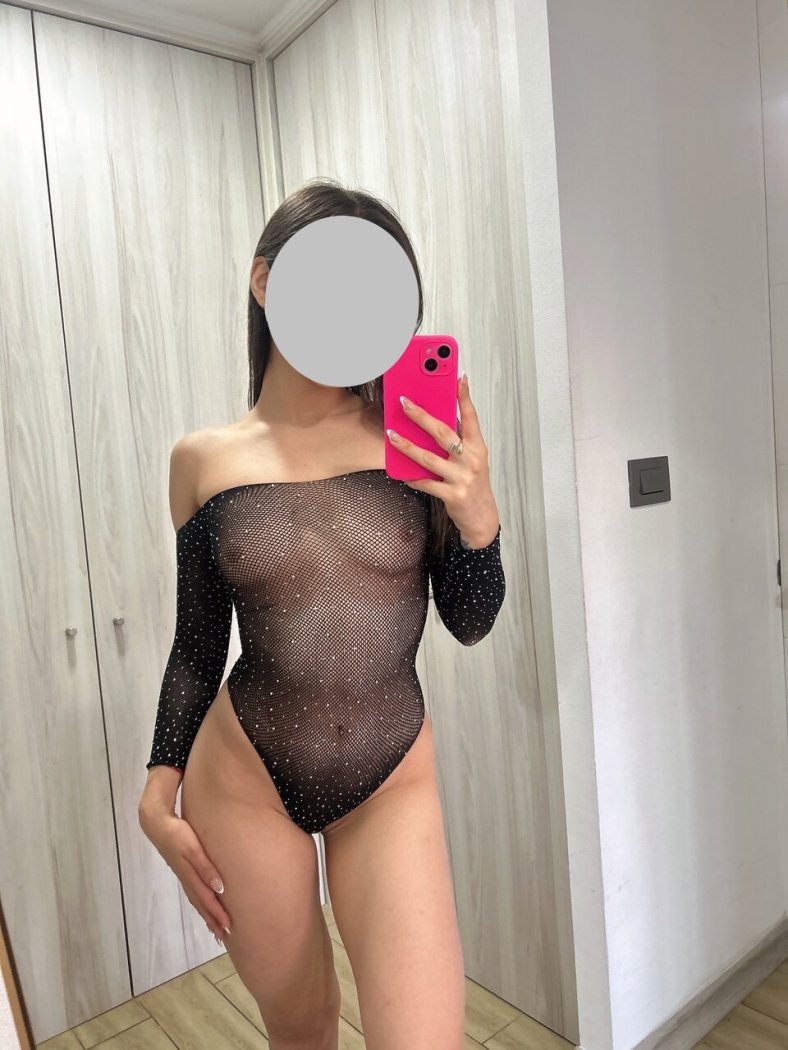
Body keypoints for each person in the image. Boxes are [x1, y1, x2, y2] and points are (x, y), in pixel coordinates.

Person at [138, 178, 506, 1050]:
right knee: (302, 1031)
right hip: (244, 783)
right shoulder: (201, 460)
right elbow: (197, 645)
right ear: (266, 280)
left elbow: (470, 620)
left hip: (391, 777)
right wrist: (157, 794)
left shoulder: (413, 435)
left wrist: (480, 522)